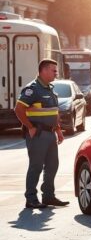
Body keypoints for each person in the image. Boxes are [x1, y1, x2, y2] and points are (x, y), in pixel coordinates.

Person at [14, 59, 68, 209]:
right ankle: (31, 198)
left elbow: (54, 112)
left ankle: (48, 196)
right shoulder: (32, 89)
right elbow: (18, 109)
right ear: (43, 70)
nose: (56, 73)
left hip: (50, 134)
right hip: (37, 134)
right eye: (54, 70)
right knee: (36, 166)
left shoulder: (50, 88)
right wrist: (30, 127)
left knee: (52, 165)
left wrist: (58, 130)